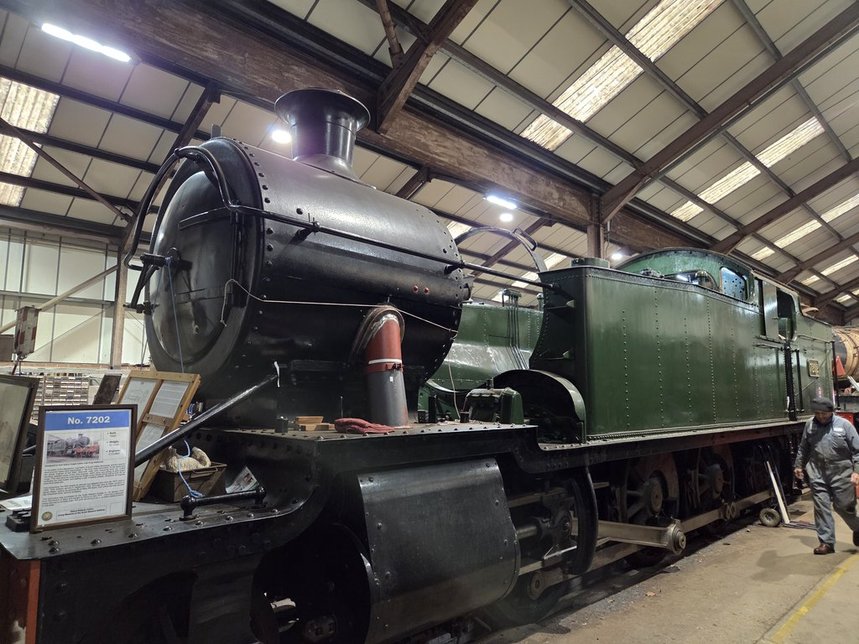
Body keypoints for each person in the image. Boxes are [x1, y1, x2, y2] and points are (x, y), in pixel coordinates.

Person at [794, 396, 859, 554]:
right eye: (817, 413)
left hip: (841, 473)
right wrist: (799, 465)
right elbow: (804, 447)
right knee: (821, 507)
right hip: (818, 472)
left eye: (824, 413)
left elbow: (857, 451)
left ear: (831, 412)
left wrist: (856, 471)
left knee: (843, 507)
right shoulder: (810, 425)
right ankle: (826, 543)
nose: (821, 416)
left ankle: (857, 528)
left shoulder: (844, 425)